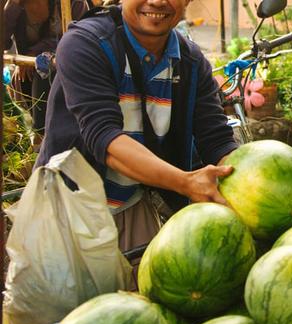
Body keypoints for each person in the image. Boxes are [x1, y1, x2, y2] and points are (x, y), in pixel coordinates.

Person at [35, 0, 238, 252]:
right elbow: (104, 138)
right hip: (67, 204)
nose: (157, 1)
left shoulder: (190, 62)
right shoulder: (86, 43)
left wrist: (249, 183)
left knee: (143, 287)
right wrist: (186, 182)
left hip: (130, 205)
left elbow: (217, 139)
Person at [3, 0, 88, 139]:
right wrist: (12, 6)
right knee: (29, 77)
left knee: (44, 72)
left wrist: (36, 53)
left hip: (69, 73)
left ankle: (42, 135)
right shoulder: (16, 6)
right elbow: (3, 41)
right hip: (27, 75)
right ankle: (40, 137)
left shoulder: (73, 3)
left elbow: (81, 37)